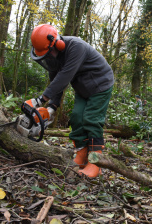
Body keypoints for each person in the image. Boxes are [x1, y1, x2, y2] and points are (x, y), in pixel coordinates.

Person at [24, 24, 114, 178]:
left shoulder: (76, 47)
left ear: (57, 43)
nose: (49, 57)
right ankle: (82, 153)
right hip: (83, 87)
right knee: (77, 118)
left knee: (91, 119)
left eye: (49, 53)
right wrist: (52, 105)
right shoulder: (52, 56)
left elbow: (65, 76)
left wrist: (41, 99)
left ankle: (95, 162)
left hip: (100, 84)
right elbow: (55, 80)